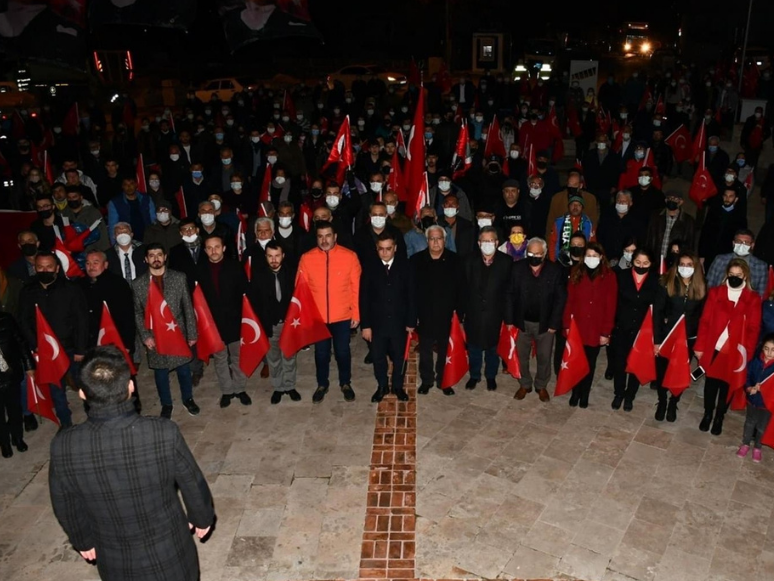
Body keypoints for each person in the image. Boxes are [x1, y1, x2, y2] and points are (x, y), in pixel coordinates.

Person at [49, 347, 214, 580]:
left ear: (83, 394)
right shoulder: (162, 432)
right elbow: (192, 482)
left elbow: (64, 503)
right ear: (130, 386)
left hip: (114, 559)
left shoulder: (63, 445)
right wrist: (202, 517)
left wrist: (82, 541)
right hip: (170, 552)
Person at [18, 251, 89, 428]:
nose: (44, 270)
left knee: (83, 384)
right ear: (35, 268)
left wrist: (81, 350)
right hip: (46, 351)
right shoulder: (27, 291)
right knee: (56, 391)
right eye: (40, 267)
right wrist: (36, 346)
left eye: (49, 267)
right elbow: (24, 322)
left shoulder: (71, 289)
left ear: (57, 268)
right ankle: (66, 425)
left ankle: (93, 417)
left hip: (71, 348)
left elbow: (82, 320)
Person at [694, 259, 762, 435]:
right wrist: (700, 346)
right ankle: (708, 414)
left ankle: (719, 417)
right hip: (714, 348)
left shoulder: (753, 299)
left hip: (735, 352)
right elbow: (705, 321)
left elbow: (753, 330)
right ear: (727, 275)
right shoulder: (716, 293)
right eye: (731, 275)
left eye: (738, 275)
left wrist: (745, 354)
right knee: (710, 384)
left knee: (727, 386)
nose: (734, 278)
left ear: (745, 275)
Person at [297, 221, 362, 404]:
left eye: (328, 236)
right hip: (318, 317)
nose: (324, 240)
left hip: (342, 315)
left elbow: (356, 288)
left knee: (342, 351)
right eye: (320, 236)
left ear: (335, 237)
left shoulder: (349, 257)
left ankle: (345, 383)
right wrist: (305, 316)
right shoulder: (307, 258)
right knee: (321, 353)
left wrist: (356, 313)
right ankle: (322, 384)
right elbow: (301, 290)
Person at [132, 244, 199, 419]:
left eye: (159, 255)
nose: (156, 258)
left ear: (165, 257)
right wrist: (145, 336)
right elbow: (138, 313)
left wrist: (192, 333)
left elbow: (187, 307)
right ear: (146, 259)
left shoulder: (178, 278)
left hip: (178, 332)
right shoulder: (138, 284)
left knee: (184, 370)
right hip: (155, 335)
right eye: (152, 255)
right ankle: (166, 404)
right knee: (161, 373)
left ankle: (188, 399)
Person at [79, 250, 140, 413]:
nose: (91, 266)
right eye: (88, 263)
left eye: (95, 262)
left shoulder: (118, 283)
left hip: (117, 340)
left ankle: (133, 407)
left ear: (105, 265)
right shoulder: (79, 285)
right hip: (92, 342)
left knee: (123, 374)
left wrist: (127, 344)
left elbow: (128, 315)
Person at [360, 232, 416, 402]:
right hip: (377, 325)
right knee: (378, 357)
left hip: (399, 323)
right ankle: (382, 386)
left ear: (395, 248)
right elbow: (364, 298)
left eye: (388, 249)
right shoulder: (369, 268)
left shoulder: (405, 267)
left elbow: (412, 296)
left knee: (400, 357)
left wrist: (411, 321)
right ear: (377, 249)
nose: (385, 253)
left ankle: (397, 386)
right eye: (381, 249)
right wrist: (366, 325)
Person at [196, 234, 251, 408]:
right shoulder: (200, 269)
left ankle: (240, 389)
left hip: (235, 320)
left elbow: (245, 294)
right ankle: (227, 391)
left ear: (224, 248)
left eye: (217, 247)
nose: (214, 251)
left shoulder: (235, 266)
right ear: (205, 250)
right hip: (213, 324)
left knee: (237, 356)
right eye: (210, 248)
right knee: (220, 358)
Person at [509, 237, 566, 402]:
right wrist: (510, 320)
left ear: (545, 253)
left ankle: (541, 385)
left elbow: (560, 299)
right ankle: (524, 383)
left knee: (544, 357)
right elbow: (509, 294)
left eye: (538, 253)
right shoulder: (517, 268)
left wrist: (555, 323)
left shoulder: (555, 271)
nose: (534, 256)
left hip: (545, 324)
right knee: (521, 356)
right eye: (530, 253)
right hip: (522, 322)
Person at [562, 242, 618, 408]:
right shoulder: (575, 272)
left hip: (596, 328)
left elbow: (611, 305)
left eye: (595, 256)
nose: (591, 259)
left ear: (601, 257)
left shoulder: (609, 276)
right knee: (575, 360)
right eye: (588, 256)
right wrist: (566, 324)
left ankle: (584, 393)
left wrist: (606, 332)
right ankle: (575, 392)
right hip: (577, 326)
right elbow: (569, 301)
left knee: (589, 363)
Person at [653, 252, 706, 422]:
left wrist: (700, 343)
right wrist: (657, 341)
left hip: (689, 340)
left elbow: (704, 318)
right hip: (667, 337)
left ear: (695, 267)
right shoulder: (665, 283)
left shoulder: (703, 287)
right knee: (662, 372)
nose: (685, 267)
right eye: (682, 264)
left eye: (689, 264)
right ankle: (661, 401)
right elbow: (658, 314)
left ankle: (673, 401)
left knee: (681, 372)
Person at [611, 248, 666, 411]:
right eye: (638, 262)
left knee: (636, 363)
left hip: (643, 330)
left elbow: (658, 310)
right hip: (622, 327)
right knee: (619, 363)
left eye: (645, 263)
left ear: (651, 264)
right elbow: (615, 302)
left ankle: (630, 395)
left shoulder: (657, 281)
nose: (641, 266)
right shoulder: (621, 276)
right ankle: (619, 393)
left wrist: (656, 338)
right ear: (632, 261)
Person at [412, 224, 465, 395]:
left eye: (439, 238)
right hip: (424, 314)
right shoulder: (415, 261)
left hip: (447, 314)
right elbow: (411, 291)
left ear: (445, 240)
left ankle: (444, 380)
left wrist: (459, 314)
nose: (435, 242)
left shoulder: (456, 261)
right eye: (432, 239)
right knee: (425, 350)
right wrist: (413, 316)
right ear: (427, 241)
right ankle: (426, 380)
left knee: (444, 349)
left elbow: (461, 289)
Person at [462, 226, 513, 391]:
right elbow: (463, 288)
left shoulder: (506, 262)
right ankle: (474, 376)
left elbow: (508, 292)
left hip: (495, 314)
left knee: (493, 348)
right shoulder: (469, 260)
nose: (488, 244)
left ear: (497, 242)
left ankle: (491, 376)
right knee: (474, 347)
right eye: (484, 241)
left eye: (491, 241)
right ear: (478, 243)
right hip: (474, 313)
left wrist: (508, 318)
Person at [251, 242, 300, 404]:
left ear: (283, 256)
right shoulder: (258, 275)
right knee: (273, 358)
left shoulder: (292, 273)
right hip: (269, 325)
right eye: (270, 256)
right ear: (265, 257)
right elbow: (255, 303)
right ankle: (278, 387)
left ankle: (290, 385)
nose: (274, 260)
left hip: (289, 323)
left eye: (277, 255)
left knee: (289, 356)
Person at [0, 309, 34, 458]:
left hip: (10, 373)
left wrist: (29, 365)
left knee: (15, 409)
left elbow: (21, 342)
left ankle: (17, 438)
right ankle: (4, 444)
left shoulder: (6, 318)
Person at [737, 334, 774, 462]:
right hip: (753, 401)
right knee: (749, 423)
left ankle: (758, 447)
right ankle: (745, 444)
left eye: (773, 350)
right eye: (766, 348)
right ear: (762, 348)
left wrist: (764, 388)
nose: (769, 353)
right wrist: (749, 388)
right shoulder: (755, 362)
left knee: (762, 427)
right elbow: (747, 377)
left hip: (767, 404)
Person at [705, 229, 769, 298]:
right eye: (739, 242)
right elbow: (709, 284)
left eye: (746, 242)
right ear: (733, 243)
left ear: (752, 245)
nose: (742, 245)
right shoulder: (720, 260)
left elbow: (761, 293)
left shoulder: (761, 266)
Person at [698, 189, 747, 272]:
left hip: (727, 257)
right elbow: (704, 234)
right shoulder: (714, 212)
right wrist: (701, 255)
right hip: (710, 254)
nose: (727, 199)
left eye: (731, 196)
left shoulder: (740, 218)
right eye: (725, 196)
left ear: (736, 199)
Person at [645, 190, 696, 258]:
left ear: (681, 202)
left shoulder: (688, 221)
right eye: (669, 198)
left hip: (676, 260)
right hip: (656, 258)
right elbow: (649, 239)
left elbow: (690, 245)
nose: (671, 201)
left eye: (675, 199)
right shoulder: (655, 216)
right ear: (666, 200)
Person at [107, 178, 156, 244]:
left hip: (147, 237)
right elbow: (113, 227)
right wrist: (114, 246)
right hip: (126, 240)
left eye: (131, 184)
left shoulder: (146, 198)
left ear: (136, 184)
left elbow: (154, 220)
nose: (129, 187)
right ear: (122, 186)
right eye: (126, 184)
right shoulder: (115, 202)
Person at [549, 195, 595, 262]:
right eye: (573, 204)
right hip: (561, 260)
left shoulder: (588, 223)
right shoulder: (559, 222)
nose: (575, 207)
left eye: (578, 205)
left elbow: (592, 244)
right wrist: (552, 261)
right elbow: (552, 243)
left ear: (582, 207)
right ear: (568, 206)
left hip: (582, 261)